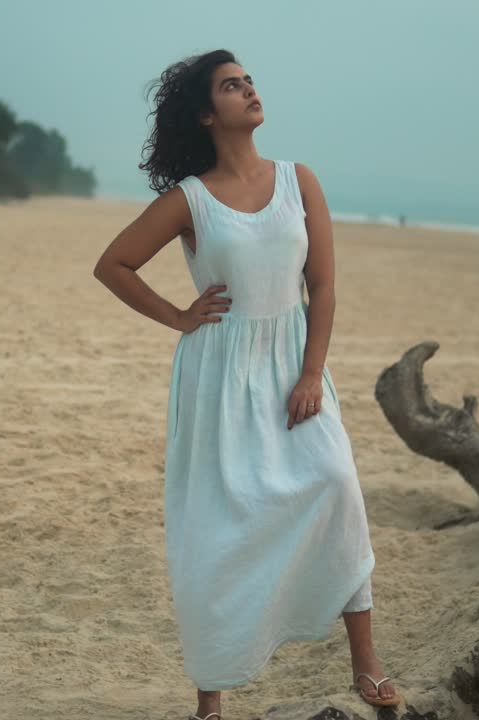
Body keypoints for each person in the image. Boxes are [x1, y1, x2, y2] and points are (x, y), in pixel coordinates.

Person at [91, 49, 402, 719]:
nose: (249, 90)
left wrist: (312, 371)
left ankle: (366, 661)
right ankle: (210, 698)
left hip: (292, 363)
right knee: (216, 527)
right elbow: (113, 264)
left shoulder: (298, 180)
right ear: (207, 114)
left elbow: (322, 285)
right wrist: (179, 316)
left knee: (337, 484)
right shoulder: (190, 200)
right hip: (219, 376)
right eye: (232, 86)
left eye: (249, 81)